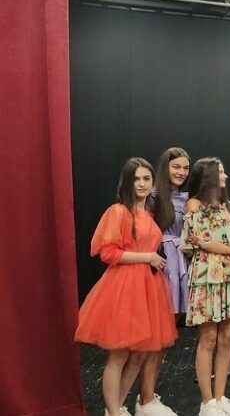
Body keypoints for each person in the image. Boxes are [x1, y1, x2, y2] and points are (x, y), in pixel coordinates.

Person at [75, 158, 177, 416]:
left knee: (139, 355)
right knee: (119, 355)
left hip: (148, 287)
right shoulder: (119, 212)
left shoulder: (149, 215)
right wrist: (148, 257)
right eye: (136, 179)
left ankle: (116, 408)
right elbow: (108, 253)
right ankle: (112, 410)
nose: (141, 184)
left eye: (146, 178)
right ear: (127, 182)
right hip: (124, 286)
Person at [181, 157, 230, 416]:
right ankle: (207, 402)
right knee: (208, 337)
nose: (225, 176)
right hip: (208, 275)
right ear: (208, 175)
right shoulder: (194, 204)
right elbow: (201, 240)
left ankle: (220, 397)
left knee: (228, 336)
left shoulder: (227, 206)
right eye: (220, 172)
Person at [136, 147, 190, 416]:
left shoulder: (187, 198)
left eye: (185, 168)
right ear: (165, 167)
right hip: (161, 264)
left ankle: (147, 397)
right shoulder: (153, 196)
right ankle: (144, 398)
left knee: (166, 334)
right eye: (176, 166)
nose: (181, 172)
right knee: (155, 336)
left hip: (182, 263)